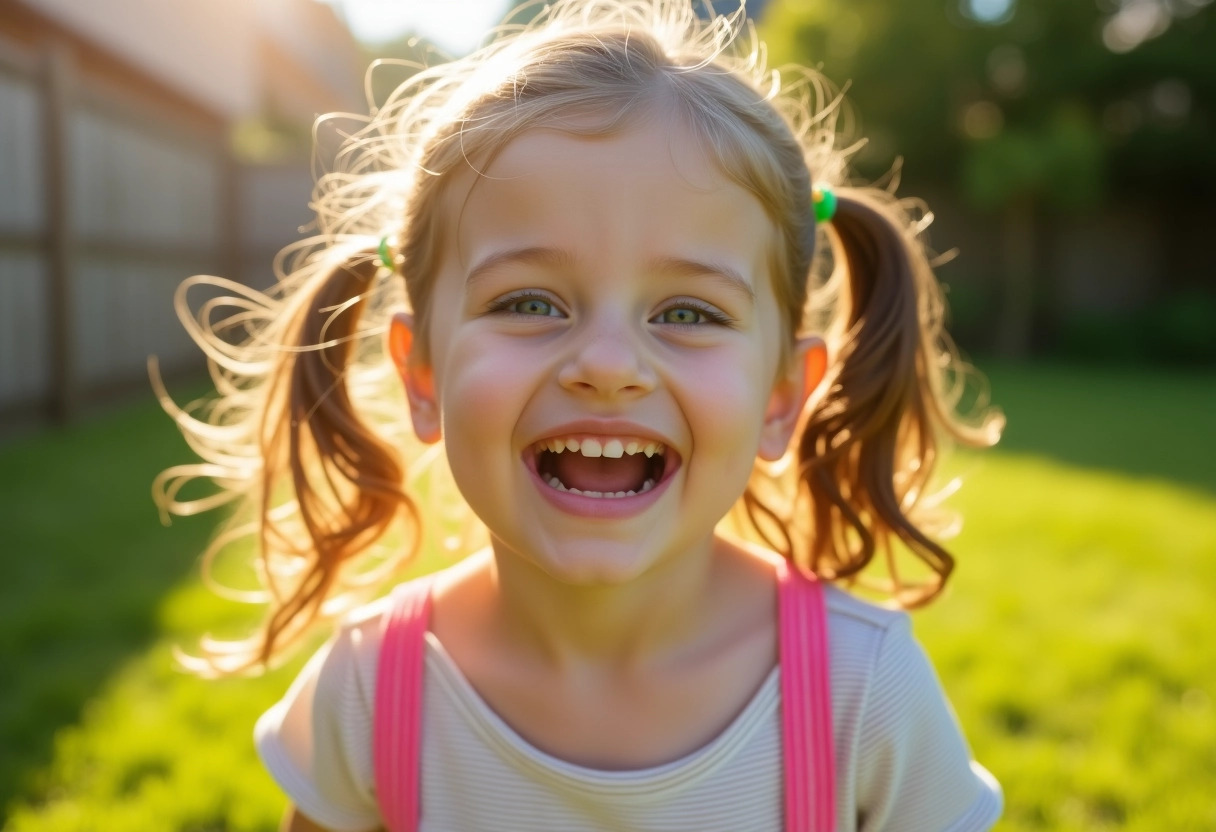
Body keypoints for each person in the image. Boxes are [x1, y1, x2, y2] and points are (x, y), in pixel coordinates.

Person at [155, 1, 1007, 829]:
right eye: (529, 301)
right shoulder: (376, 687)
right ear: (421, 372)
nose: (608, 365)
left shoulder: (864, 694)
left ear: (782, 394)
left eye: (688, 313)